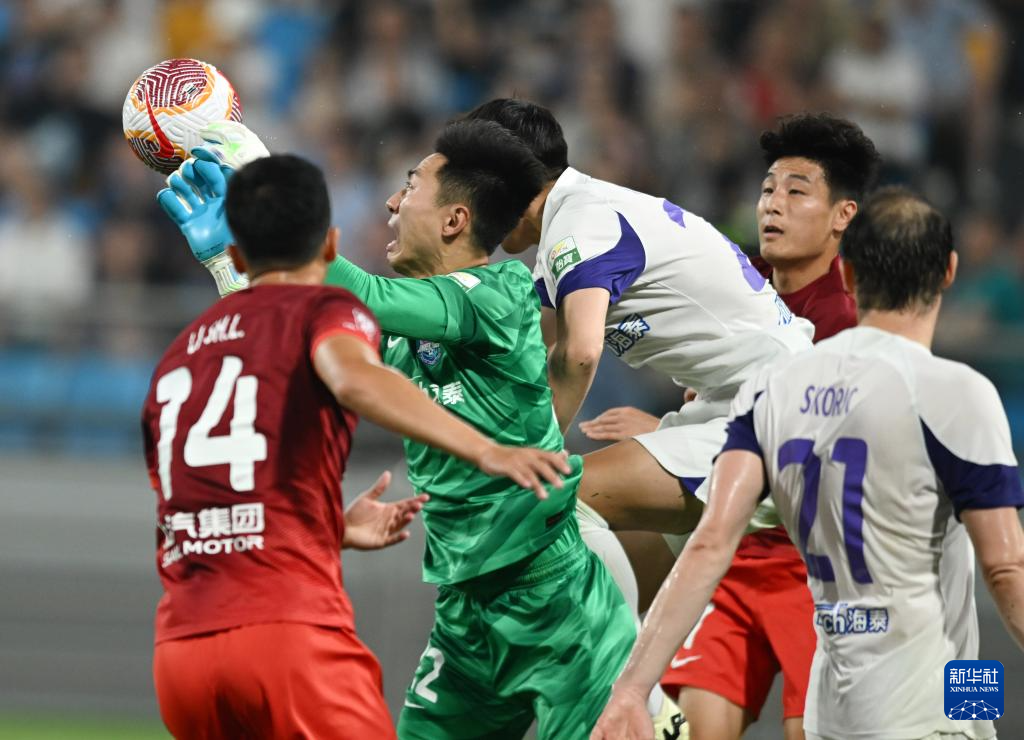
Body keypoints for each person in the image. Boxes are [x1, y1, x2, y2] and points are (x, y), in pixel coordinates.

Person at [159, 120, 637, 739]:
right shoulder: (410, 332)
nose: (391, 202)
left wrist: (266, 191)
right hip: (466, 614)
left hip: (557, 598)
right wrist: (230, 267)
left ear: (454, 221)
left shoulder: (499, 293)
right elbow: (284, 343)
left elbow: (357, 293)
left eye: (410, 188)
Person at [592, 187, 1024, 740]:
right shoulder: (958, 394)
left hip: (831, 711)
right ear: (948, 272)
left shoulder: (774, 387)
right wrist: (975, 714)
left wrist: (631, 691)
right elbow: (1003, 569)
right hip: (927, 710)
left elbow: (708, 544)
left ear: (847, 275)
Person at [586, 113, 879, 739]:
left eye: (796, 191)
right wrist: (674, 429)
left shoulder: (846, 328)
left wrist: (667, 433)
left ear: (843, 215)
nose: (773, 203)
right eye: (769, 189)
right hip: (729, 555)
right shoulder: (737, 291)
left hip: (816, 575)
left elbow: (992, 569)